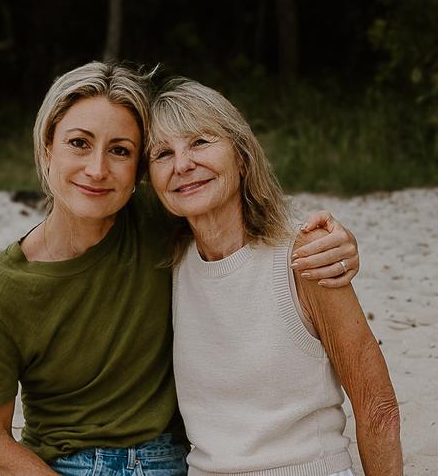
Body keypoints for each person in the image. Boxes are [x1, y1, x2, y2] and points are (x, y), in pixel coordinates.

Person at [0, 62, 361, 476]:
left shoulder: (160, 218)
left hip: (169, 460)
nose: (97, 169)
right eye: (79, 143)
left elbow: (238, 209)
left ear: (138, 171)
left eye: (120, 150)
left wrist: (335, 241)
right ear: (47, 149)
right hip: (65, 465)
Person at [147, 78, 402, 476]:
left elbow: (377, 406)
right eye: (163, 153)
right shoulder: (166, 265)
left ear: (242, 157)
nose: (182, 165)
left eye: (200, 142)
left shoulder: (305, 253)